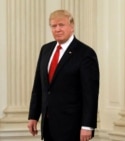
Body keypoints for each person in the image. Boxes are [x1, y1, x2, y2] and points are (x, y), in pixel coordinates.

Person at [27, 9, 100, 141]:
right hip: (48, 125)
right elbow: (38, 86)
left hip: (73, 127)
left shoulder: (85, 53)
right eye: (54, 26)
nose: (57, 29)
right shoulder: (45, 49)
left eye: (61, 25)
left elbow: (90, 93)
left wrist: (87, 125)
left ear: (72, 27)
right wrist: (33, 116)